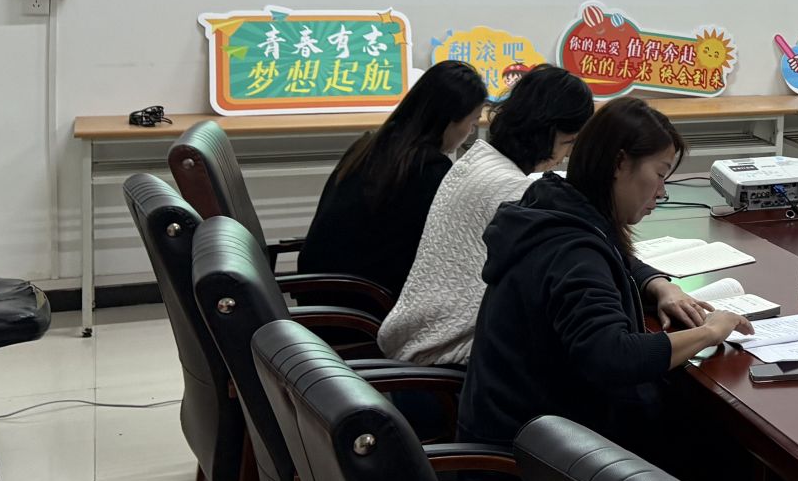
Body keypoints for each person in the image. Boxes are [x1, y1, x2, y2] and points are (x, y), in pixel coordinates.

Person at [458, 97, 751, 456]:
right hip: (537, 461)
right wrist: (710, 332)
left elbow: (614, 257)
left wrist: (659, 285)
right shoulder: (573, 251)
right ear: (620, 163)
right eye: (659, 174)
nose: (662, 191)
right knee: (722, 446)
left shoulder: (553, 207)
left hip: (519, 432)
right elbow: (613, 357)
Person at [377, 64, 595, 365]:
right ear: (547, 132)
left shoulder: (478, 160)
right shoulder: (514, 191)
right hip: (448, 359)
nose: (567, 154)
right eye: (568, 142)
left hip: (413, 339)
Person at [297, 59, 488, 295]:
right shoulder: (427, 169)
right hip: (362, 298)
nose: (470, 132)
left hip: (319, 287)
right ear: (450, 119)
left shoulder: (370, 145)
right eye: (472, 122)